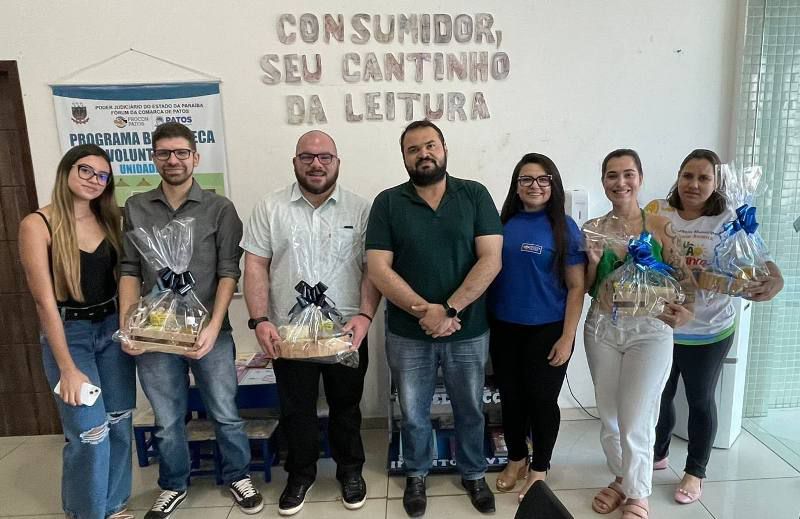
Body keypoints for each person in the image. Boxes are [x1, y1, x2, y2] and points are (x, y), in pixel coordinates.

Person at [118, 122, 263, 517]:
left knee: (225, 412)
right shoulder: (135, 207)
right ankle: (173, 484)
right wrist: (128, 324)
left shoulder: (220, 208)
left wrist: (215, 327)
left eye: (181, 152)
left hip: (209, 331)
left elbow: (228, 272)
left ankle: (237, 474)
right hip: (155, 334)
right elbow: (129, 269)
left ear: (196, 157)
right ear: (153, 158)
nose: (173, 160)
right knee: (167, 419)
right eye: (164, 153)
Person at [366, 120, 503, 517]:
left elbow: (491, 259)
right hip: (409, 333)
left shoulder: (474, 195)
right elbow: (378, 268)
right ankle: (417, 473)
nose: (423, 154)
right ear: (404, 157)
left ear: (444, 149)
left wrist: (449, 310)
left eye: (430, 145)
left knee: (470, 408)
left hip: (467, 331)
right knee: (413, 411)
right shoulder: (388, 202)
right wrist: (424, 312)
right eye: (413, 149)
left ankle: (474, 473)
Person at [241, 130, 381, 516]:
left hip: (346, 332)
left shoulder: (361, 209)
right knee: (296, 408)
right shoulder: (270, 208)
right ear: (295, 162)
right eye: (307, 157)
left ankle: (350, 470)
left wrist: (366, 316)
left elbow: (373, 269)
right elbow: (255, 266)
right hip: (289, 333)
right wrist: (259, 321)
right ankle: (300, 474)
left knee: (346, 407)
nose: (316, 164)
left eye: (325, 157)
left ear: (337, 162)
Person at [646, 149, 784, 504]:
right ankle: (658, 453)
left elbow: (764, 264)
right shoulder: (657, 212)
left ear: (717, 183)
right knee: (660, 395)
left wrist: (773, 282)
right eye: (687, 175)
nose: (693, 184)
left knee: (700, 398)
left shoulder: (731, 219)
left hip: (710, 330)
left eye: (703, 177)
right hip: (664, 325)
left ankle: (695, 471)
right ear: (677, 176)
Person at [19, 144, 136, 519]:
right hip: (70, 337)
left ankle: (113, 505)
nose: (93, 180)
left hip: (112, 332)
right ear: (67, 171)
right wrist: (67, 368)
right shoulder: (38, 224)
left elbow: (124, 281)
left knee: (119, 424)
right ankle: (87, 513)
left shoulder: (111, 220)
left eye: (102, 176)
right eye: (86, 171)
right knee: (90, 434)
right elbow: (44, 304)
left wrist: (131, 328)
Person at [583, 149, 694, 519]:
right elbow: (586, 288)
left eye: (628, 174)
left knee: (636, 417)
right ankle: (622, 479)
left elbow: (684, 278)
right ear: (603, 182)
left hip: (650, 331)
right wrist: (595, 262)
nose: (620, 182)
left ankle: (638, 494)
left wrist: (687, 310)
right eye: (612, 175)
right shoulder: (594, 229)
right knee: (610, 416)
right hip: (602, 328)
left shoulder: (659, 226)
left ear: (640, 178)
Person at [487, 153, 586, 502]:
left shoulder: (565, 227)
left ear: (553, 184)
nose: (535, 186)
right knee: (511, 399)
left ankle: (539, 469)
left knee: (542, 401)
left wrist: (567, 337)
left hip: (548, 329)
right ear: (516, 186)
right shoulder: (502, 224)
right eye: (527, 179)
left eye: (543, 179)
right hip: (504, 327)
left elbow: (577, 287)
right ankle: (516, 459)